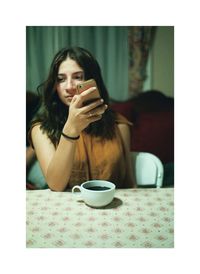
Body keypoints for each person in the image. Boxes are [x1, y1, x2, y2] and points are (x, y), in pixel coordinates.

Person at [29, 46, 135, 191]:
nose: (69, 86)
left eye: (78, 77)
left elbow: (129, 182)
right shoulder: (41, 129)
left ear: (92, 80)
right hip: (68, 209)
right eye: (60, 79)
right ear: (54, 85)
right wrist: (71, 129)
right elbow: (56, 185)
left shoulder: (118, 124)